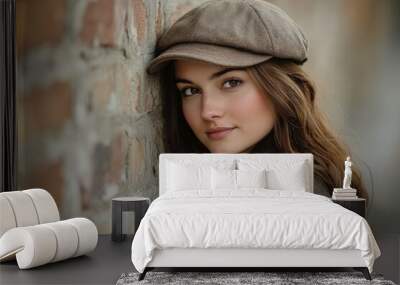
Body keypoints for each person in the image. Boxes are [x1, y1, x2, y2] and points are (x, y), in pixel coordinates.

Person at [145, 0, 368, 200]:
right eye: (190, 90)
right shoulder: (187, 184)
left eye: (231, 82)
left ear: (280, 88)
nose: (207, 112)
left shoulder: (307, 199)